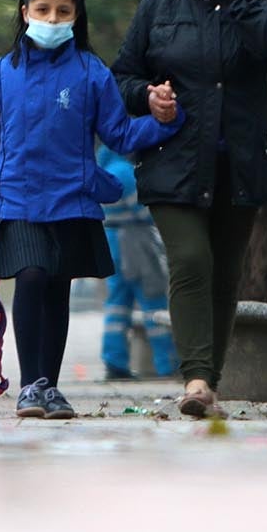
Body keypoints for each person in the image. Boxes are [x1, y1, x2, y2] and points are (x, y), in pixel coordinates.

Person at [0, 0, 184, 420]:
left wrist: (164, 119)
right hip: (16, 201)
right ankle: (29, 386)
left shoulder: (91, 72)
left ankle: (49, 386)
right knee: (33, 275)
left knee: (57, 287)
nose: (52, 19)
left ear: (77, 17)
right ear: (25, 13)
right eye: (42, 10)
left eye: (63, 11)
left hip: (71, 201)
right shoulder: (2, 73)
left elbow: (119, 132)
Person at [111, 0, 267, 418]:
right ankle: (194, 377)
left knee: (225, 272)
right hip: (173, 161)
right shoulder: (159, 7)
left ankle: (205, 384)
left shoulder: (258, 2)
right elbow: (121, 75)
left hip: (238, 164)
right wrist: (148, 95)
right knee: (191, 260)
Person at [97, 146, 177, 381]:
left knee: (117, 304)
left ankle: (114, 361)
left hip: (111, 241)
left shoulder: (104, 169)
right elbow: (143, 209)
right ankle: (167, 363)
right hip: (135, 242)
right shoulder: (125, 171)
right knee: (153, 300)